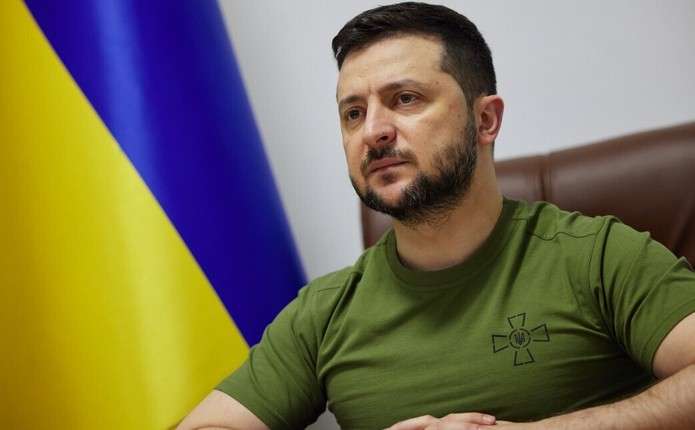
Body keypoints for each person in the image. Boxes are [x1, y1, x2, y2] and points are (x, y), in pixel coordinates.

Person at [178, 2, 695, 429]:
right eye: (353, 113)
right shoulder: (325, 311)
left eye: (405, 99)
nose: (373, 131)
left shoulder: (597, 256)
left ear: (485, 119)